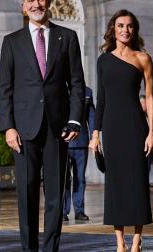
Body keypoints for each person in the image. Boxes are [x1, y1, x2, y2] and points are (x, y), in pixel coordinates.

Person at [0, 0, 85, 250]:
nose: (36, 4)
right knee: (26, 194)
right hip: (23, 130)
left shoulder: (67, 37)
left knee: (56, 196)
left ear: (47, 3)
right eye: (30, 0)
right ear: (23, 6)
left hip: (58, 129)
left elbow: (77, 84)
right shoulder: (12, 42)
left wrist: (74, 120)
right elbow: (5, 89)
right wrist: (9, 127)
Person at [89, 9, 153, 252]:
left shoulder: (143, 58)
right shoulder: (103, 60)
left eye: (129, 26)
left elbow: (150, 96)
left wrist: (151, 132)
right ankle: (120, 242)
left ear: (134, 29)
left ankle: (137, 240)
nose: (125, 30)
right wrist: (95, 134)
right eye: (120, 25)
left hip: (136, 127)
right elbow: (101, 98)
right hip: (112, 128)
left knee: (138, 182)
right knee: (115, 185)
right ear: (113, 30)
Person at [63, 86, 94, 222]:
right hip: (63, 141)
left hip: (81, 141)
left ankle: (79, 211)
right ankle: (63, 210)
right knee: (64, 179)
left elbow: (91, 116)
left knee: (80, 178)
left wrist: (94, 136)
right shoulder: (59, 88)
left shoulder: (86, 92)